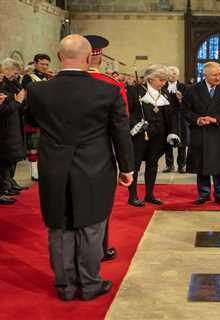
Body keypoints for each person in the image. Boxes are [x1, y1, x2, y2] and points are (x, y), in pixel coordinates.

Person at [26, 35, 134, 301]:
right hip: (94, 168)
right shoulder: (108, 90)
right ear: (89, 58)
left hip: (54, 167)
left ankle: (64, 286)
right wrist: (127, 168)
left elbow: (31, 120)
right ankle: (89, 284)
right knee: (90, 227)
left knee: (59, 226)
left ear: (60, 57)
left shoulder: (38, 90)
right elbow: (120, 132)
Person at [84, 34, 128, 262]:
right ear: (98, 58)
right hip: (100, 153)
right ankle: (100, 248)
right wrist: (126, 166)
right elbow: (121, 125)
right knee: (100, 204)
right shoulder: (111, 85)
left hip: (62, 155)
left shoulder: (50, 85)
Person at [181, 61, 220, 207]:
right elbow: (185, 111)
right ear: (204, 74)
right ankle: (203, 194)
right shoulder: (192, 89)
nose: (218, 77)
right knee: (202, 165)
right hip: (200, 132)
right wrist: (197, 119)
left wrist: (216, 119)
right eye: (214, 75)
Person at [126, 64, 181, 207]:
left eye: (165, 80)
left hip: (159, 136)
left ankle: (150, 194)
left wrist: (173, 132)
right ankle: (133, 196)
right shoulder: (134, 91)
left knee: (152, 164)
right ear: (150, 78)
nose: (164, 83)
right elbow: (126, 112)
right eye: (161, 80)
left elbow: (171, 116)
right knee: (135, 165)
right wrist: (134, 124)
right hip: (139, 134)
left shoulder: (165, 93)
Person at [21, 53, 51, 182]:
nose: (45, 67)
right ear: (36, 63)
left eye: (47, 64)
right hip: (33, 116)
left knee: (45, 146)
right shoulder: (28, 77)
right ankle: (34, 172)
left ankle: (43, 171)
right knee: (33, 145)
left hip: (47, 117)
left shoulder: (48, 77)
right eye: (42, 64)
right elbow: (27, 95)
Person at [1, 58, 27, 195]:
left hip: (15, 122)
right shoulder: (3, 84)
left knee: (14, 155)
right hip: (6, 125)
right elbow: (5, 106)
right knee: (6, 157)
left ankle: (10, 181)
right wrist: (18, 102)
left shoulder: (14, 82)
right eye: (15, 73)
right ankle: (5, 185)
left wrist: (22, 102)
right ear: (6, 70)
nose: (16, 76)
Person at [0, 85, 26, 205]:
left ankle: (5, 188)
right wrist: (17, 102)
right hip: (4, 131)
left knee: (4, 164)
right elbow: (4, 111)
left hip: (7, 132)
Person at [163, 66, 188, 174]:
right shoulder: (162, 87)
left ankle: (181, 166)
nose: (172, 75)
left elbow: (189, 104)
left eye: (174, 73)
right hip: (167, 118)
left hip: (180, 118)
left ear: (177, 75)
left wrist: (181, 98)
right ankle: (169, 165)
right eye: (170, 73)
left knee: (181, 143)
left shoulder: (183, 87)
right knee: (167, 143)